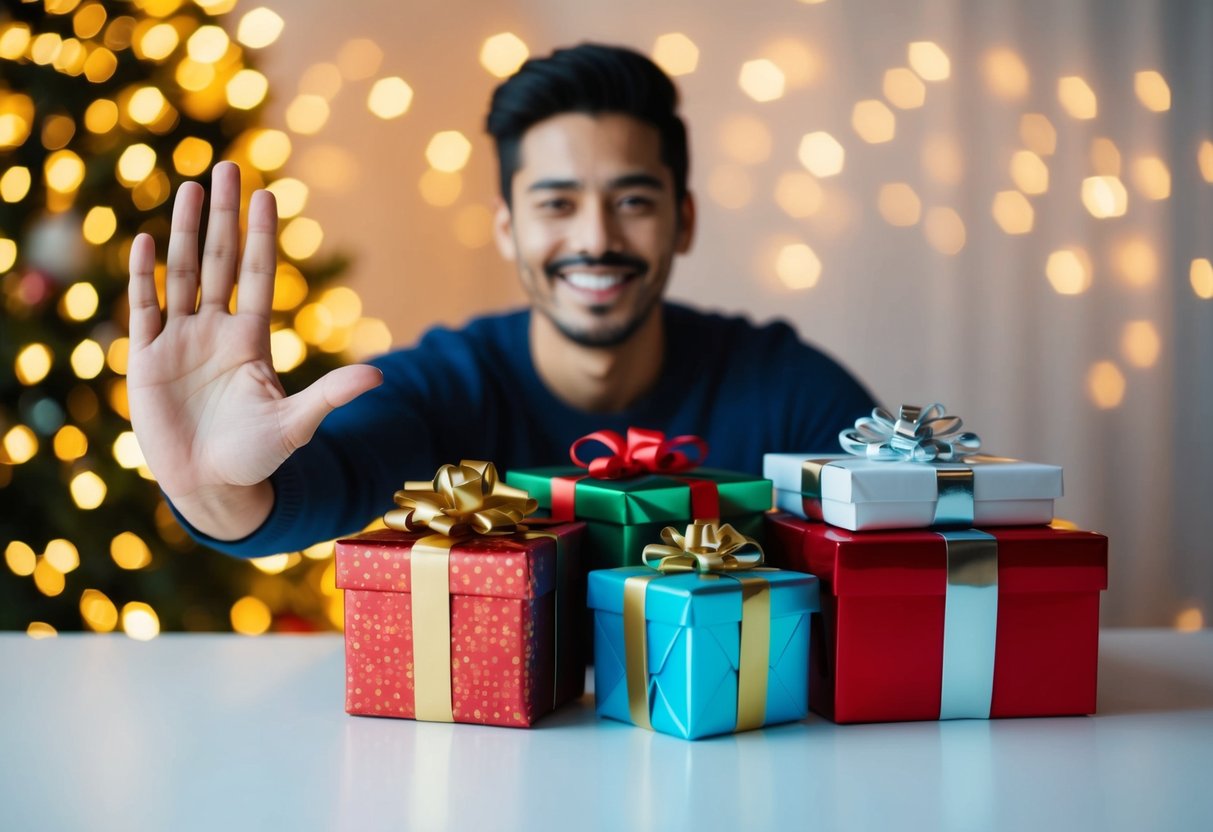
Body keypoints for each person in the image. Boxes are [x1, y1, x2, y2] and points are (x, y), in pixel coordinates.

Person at [127, 43, 876, 558]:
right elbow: (330, 479)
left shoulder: (785, 390)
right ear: (508, 229)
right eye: (555, 204)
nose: (596, 237)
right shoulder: (442, 387)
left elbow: (901, 525)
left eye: (633, 201)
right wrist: (213, 490)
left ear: (683, 220)